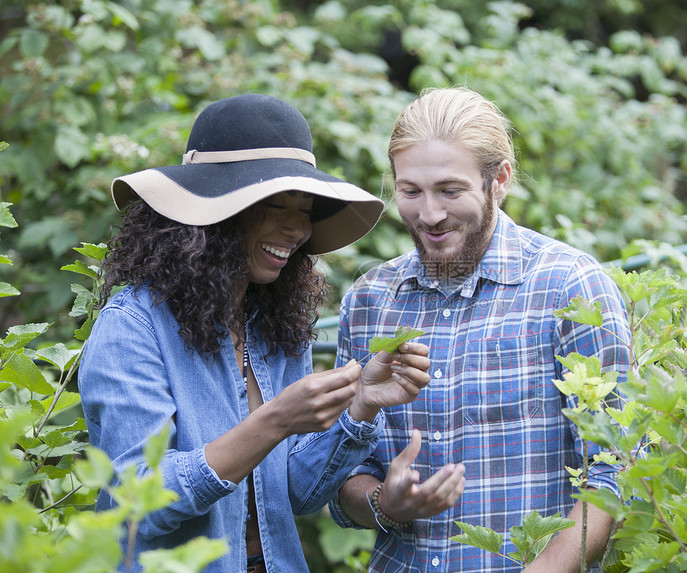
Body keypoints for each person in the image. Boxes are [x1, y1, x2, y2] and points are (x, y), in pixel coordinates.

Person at [78, 93, 432, 573]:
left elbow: (295, 494)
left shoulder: (272, 326)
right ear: (213, 214)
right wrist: (272, 422)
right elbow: (138, 500)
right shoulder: (134, 327)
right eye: (274, 207)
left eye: (304, 210)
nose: (297, 229)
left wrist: (361, 403)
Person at [328, 87, 632, 572]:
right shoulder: (370, 302)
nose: (429, 215)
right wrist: (386, 503)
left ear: (500, 179)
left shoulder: (569, 289)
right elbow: (340, 477)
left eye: (451, 190)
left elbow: (617, 472)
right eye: (410, 192)